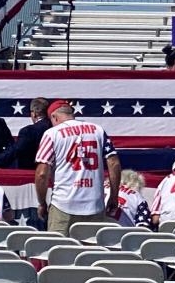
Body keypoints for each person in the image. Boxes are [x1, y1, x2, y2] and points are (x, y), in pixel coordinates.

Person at [34, 100, 121, 236]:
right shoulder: (97, 130)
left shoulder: (52, 134)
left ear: (54, 117)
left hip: (63, 204)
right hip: (94, 203)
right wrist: (114, 196)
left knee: (59, 252)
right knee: (91, 254)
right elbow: (114, 163)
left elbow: (41, 173)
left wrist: (42, 202)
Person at [12, 97, 50, 170]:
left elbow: (16, 152)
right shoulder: (55, 128)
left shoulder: (28, 131)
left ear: (34, 113)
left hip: (32, 172)